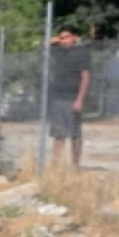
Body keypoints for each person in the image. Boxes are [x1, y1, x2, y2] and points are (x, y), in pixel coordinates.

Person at [49, 25, 91, 169]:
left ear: (75, 37)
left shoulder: (82, 53)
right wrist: (56, 40)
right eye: (62, 38)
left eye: (66, 37)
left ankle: (75, 165)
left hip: (72, 97)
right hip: (57, 97)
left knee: (75, 134)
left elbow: (85, 76)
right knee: (58, 134)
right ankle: (56, 165)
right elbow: (47, 44)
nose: (64, 41)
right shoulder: (58, 52)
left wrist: (79, 100)